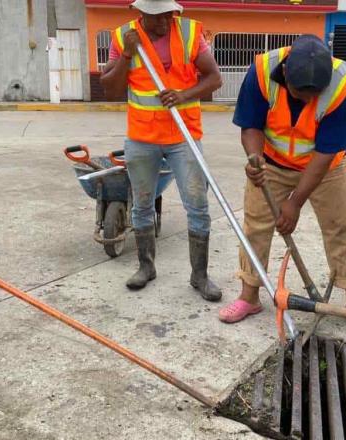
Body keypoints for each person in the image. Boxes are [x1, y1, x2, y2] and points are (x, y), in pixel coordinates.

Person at [218, 34, 346, 331]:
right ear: (286, 72)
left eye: (314, 93)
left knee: (340, 226)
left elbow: (326, 151)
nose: (308, 99)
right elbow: (250, 125)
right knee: (255, 227)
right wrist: (255, 160)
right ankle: (249, 295)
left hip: (326, 166)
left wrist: (295, 202)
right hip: (272, 163)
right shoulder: (262, 71)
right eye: (301, 92)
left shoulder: (342, 84)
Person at [100, 0, 223, 301]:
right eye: (158, 16)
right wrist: (127, 55)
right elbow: (111, 89)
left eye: (170, 14)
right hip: (142, 137)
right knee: (142, 204)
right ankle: (146, 267)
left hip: (184, 135)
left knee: (197, 205)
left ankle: (200, 275)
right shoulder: (122, 37)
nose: (166, 21)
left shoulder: (191, 32)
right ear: (142, 14)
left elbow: (214, 79)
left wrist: (184, 94)